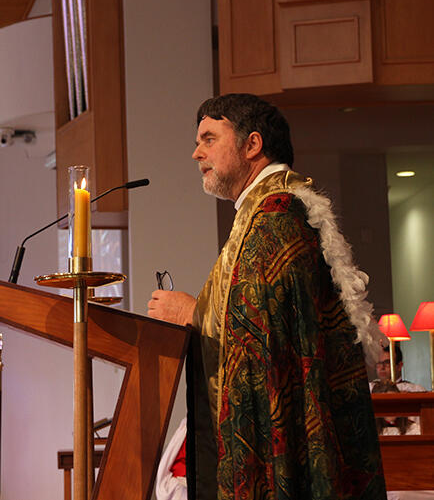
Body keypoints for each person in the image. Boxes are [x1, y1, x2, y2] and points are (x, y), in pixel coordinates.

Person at [148, 93, 387, 499]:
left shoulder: (275, 216)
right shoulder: (267, 210)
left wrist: (192, 311)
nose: (195, 153)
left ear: (252, 144)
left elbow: (263, 326)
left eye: (208, 139)